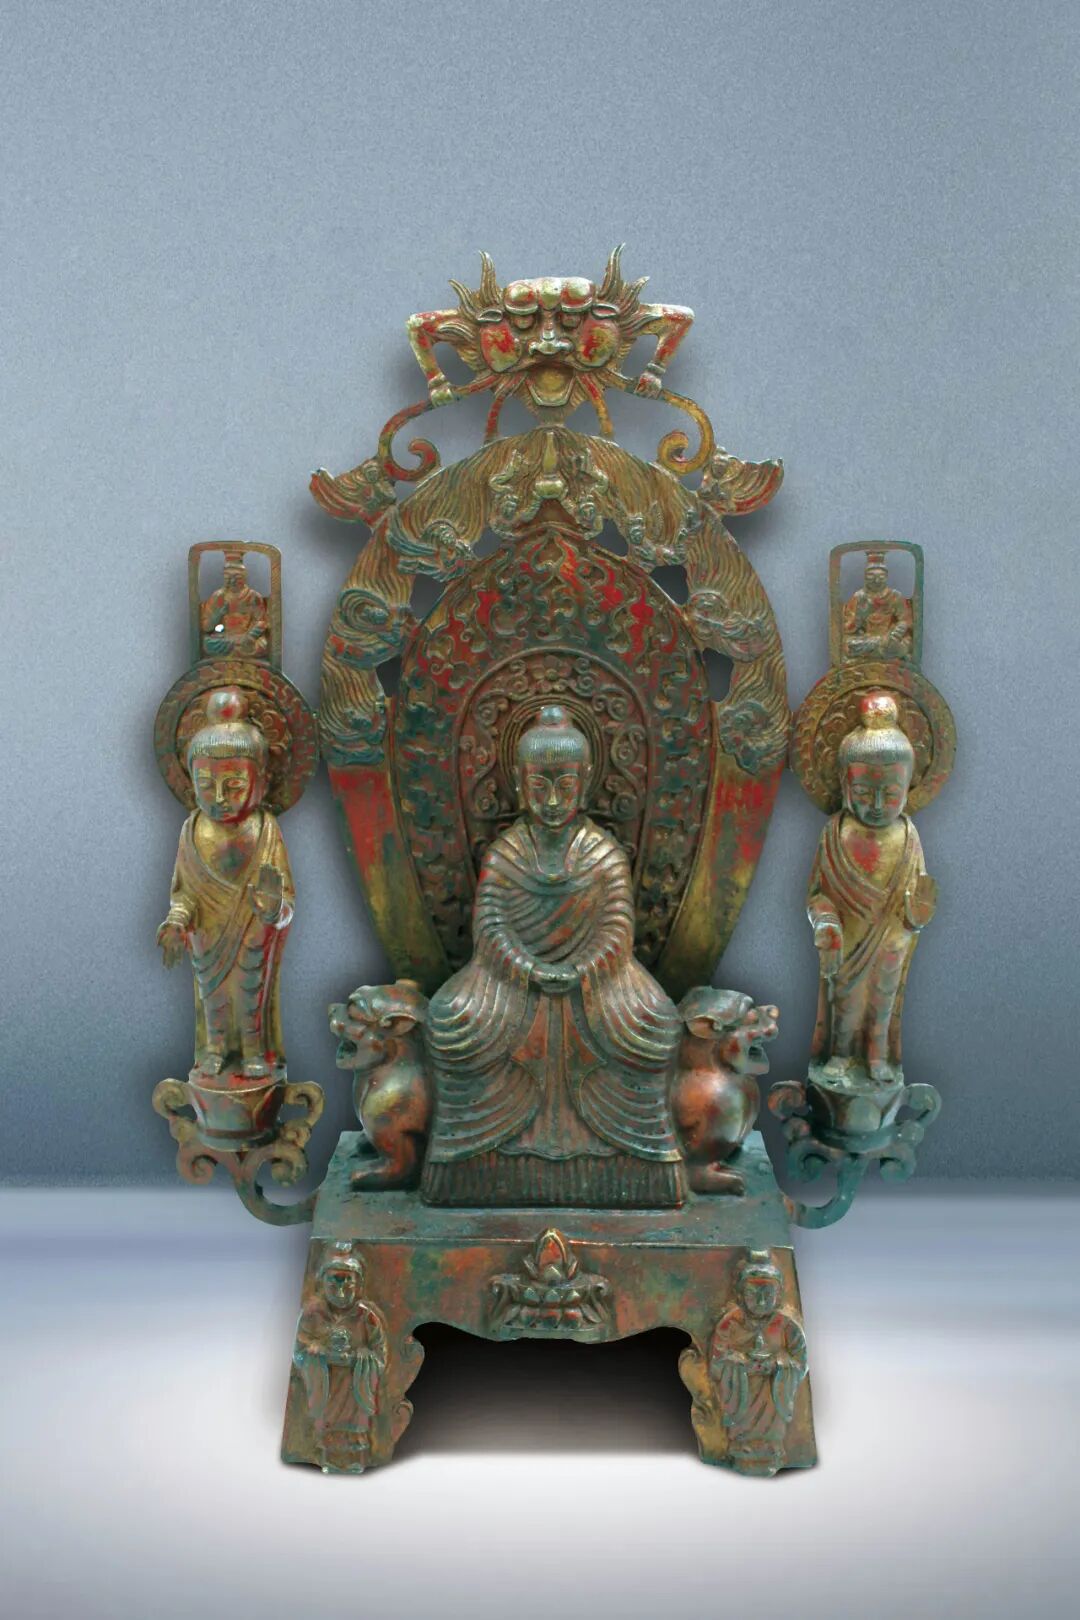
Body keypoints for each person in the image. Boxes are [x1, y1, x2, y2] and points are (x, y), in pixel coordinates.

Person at [421, 705, 685, 1206]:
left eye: (565, 785)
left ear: (585, 782)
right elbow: (490, 926)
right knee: (450, 1020)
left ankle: (639, 1169)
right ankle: (470, 1168)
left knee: (657, 1023)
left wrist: (584, 970)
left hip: (598, 981)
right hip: (510, 981)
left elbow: (618, 928)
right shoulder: (506, 853)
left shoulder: (603, 854)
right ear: (520, 783)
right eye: (539, 786)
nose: (553, 801)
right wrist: (525, 968)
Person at [157, 688, 294, 1079]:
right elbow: (184, 892)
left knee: (252, 993)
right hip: (207, 932)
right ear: (190, 782)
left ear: (261, 783)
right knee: (212, 994)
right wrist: (176, 921)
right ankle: (214, 1049)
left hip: (253, 928)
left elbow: (285, 897)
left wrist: (275, 908)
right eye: (206, 785)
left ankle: (254, 1051)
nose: (219, 798)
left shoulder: (265, 830)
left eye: (234, 786)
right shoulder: (192, 831)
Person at [807, 692, 936, 1084]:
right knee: (845, 1000)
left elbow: (919, 892)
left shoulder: (908, 835)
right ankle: (841, 1053)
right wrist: (826, 922)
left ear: (908, 787)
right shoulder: (836, 834)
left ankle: (877, 1056)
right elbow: (817, 895)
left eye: (890, 794)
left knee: (883, 1000)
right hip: (848, 938)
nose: (877, 804)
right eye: (864, 793)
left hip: (892, 937)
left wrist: (917, 914)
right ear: (845, 785)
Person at [709, 1251, 808, 1476]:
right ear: (741, 1294)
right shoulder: (730, 1323)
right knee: (743, 1430)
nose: (762, 1302)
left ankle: (773, 1449)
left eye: (768, 1294)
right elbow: (717, 1362)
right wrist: (740, 1363)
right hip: (743, 1394)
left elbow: (800, 1363)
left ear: (779, 1294)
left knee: (771, 1427)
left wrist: (777, 1365)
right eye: (754, 1294)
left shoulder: (787, 1326)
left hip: (772, 1396)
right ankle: (739, 1447)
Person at [842, 551, 913, 660]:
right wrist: (860, 616)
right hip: (867, 639)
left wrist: (895, 633)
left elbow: (906, 620)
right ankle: (883, 651)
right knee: (849, 644)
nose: (876, 581)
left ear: (886, 577)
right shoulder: (859, 597)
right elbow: (848, 626)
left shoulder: (894, 596)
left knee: (901, 644)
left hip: (888, 637)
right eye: (871, 576)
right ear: (865, 577)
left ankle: (886, 651)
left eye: (881, 577)